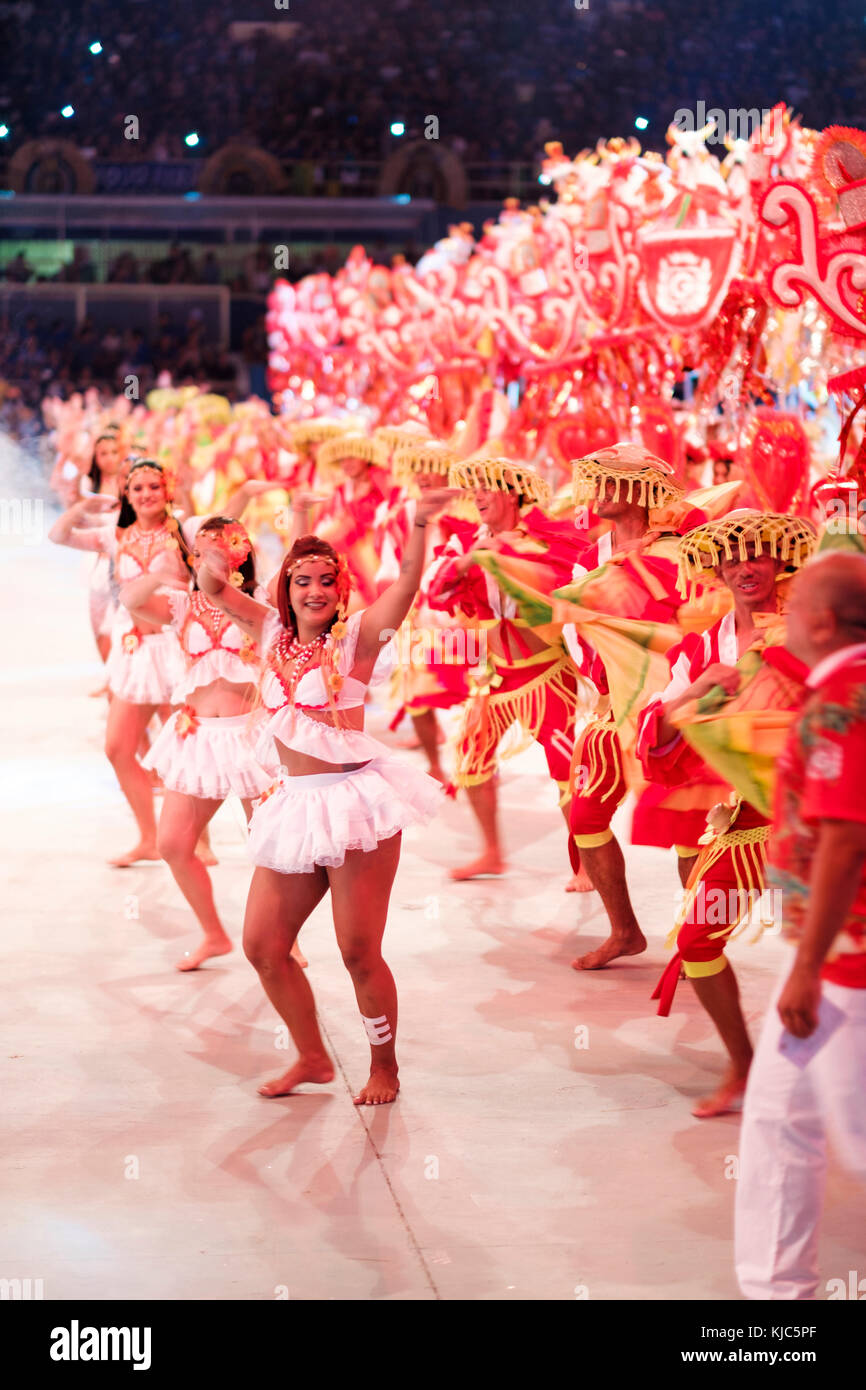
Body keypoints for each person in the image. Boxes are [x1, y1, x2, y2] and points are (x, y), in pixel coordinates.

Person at [196, 489, 452, 1105]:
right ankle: (311, 1057)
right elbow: (212, 589)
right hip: (296, 806)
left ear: (342, 590)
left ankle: (384, 1066)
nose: (314, 590)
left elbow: (411, 580)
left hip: (355, 805)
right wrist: (216, 547)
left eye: (327, 581)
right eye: (302, 580)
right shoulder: (270, 631)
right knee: (262, 945)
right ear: (285, 588)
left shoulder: (358, 640)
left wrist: (419, 520)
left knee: (358, 952)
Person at [640, 510, 817, 1116]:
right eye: (733, 556)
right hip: (745, 824)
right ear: (716, 567)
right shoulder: (700, 646)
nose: (746, 566)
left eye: (759, 554)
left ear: (779, 563)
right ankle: (744, 1067)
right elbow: (655, 725)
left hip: (817, 820)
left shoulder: (812, 628)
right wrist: (697, 689)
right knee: (696, 940)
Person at [735, 551, 866, 1298]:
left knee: (852, 1134)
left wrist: (811, 967)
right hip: (830, 947)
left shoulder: (844, 698)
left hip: (845, 956)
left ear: (818, 620)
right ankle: (780, 1302)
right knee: (782, 1114)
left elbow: (847, 837)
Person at [119, 517, 304, 971]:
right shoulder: (182, 605)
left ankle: (285, 937)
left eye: (219, 547)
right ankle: (214, 934)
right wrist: (162, 574)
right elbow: (130, 600)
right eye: (200, 549)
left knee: (272, 843)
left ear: (240, 552)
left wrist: (298, 511)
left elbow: (296, 568)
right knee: (173, 844)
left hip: (250, 734)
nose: (209, 556)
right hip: (196, 737)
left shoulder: (261, 603)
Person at [425, 456, 591, 881]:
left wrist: (514, 555)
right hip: (496, 675)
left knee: (567, 772)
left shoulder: (544, 536)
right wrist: (471, 560)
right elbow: (434, 588)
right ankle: (492, 852)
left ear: (514, 493)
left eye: (488, 487)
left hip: (546, 674)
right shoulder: (467, 540)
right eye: (475, 487)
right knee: (472, 759)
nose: (477, 496)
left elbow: (569, 583)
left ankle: (587, 865)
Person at [49, 459, 191, 866]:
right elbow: (58, 535)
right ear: (127, 496)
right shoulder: (115, 535)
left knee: (186, 751)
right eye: (138, 489)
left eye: (153, 487)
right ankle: (149, 836)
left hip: (178, 649)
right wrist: (83, 507)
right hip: (135, 653)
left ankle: (196, 839)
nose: (146, 495)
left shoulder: (185, 532)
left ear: (167, 490)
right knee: (117, 748)